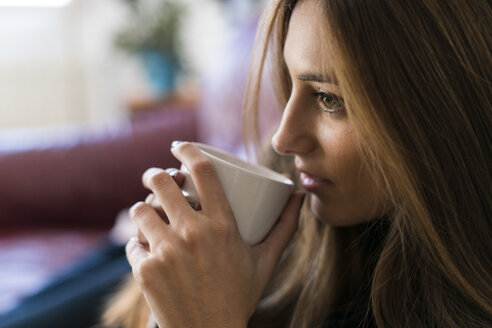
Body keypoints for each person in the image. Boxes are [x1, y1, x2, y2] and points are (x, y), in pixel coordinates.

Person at [102, 0, 492, 327]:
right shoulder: (286, 195)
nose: (282, 138)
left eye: (328, 99)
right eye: (289, 85)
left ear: (440, 114)